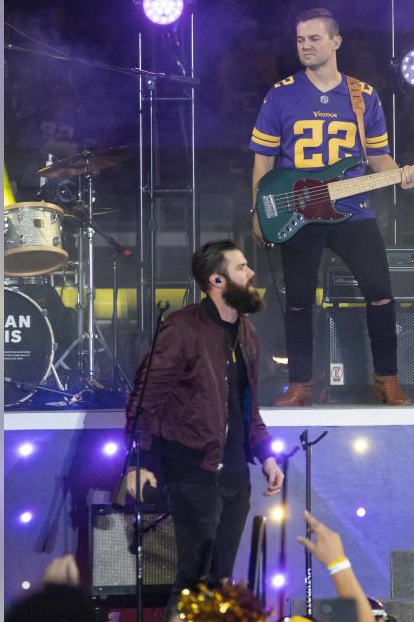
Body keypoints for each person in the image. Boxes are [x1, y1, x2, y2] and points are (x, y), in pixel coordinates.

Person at [249, 7, 414, 407]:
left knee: (380, 293)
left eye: (313, 38)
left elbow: (379, 158)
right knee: (298, 300)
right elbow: (263, 160)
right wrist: (258, 209)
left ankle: (387, 380)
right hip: (297, 212)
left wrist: (404, 174)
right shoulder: (281, 92)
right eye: (299, 39)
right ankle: (300, 385)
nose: (305, 46)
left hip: (353, 210)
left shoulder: (363, 95)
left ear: (335, 42)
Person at [123, 239, 285, 622]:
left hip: (234, 475)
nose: (251, 273)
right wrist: (139, 461)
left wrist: (266, 456)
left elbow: (247, 407)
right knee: (193, 584)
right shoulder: (181, 329)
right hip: (193, 469)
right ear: (217, 279)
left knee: (220, 585)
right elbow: (145, 399)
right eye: (241, 267)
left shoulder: (246, 333)